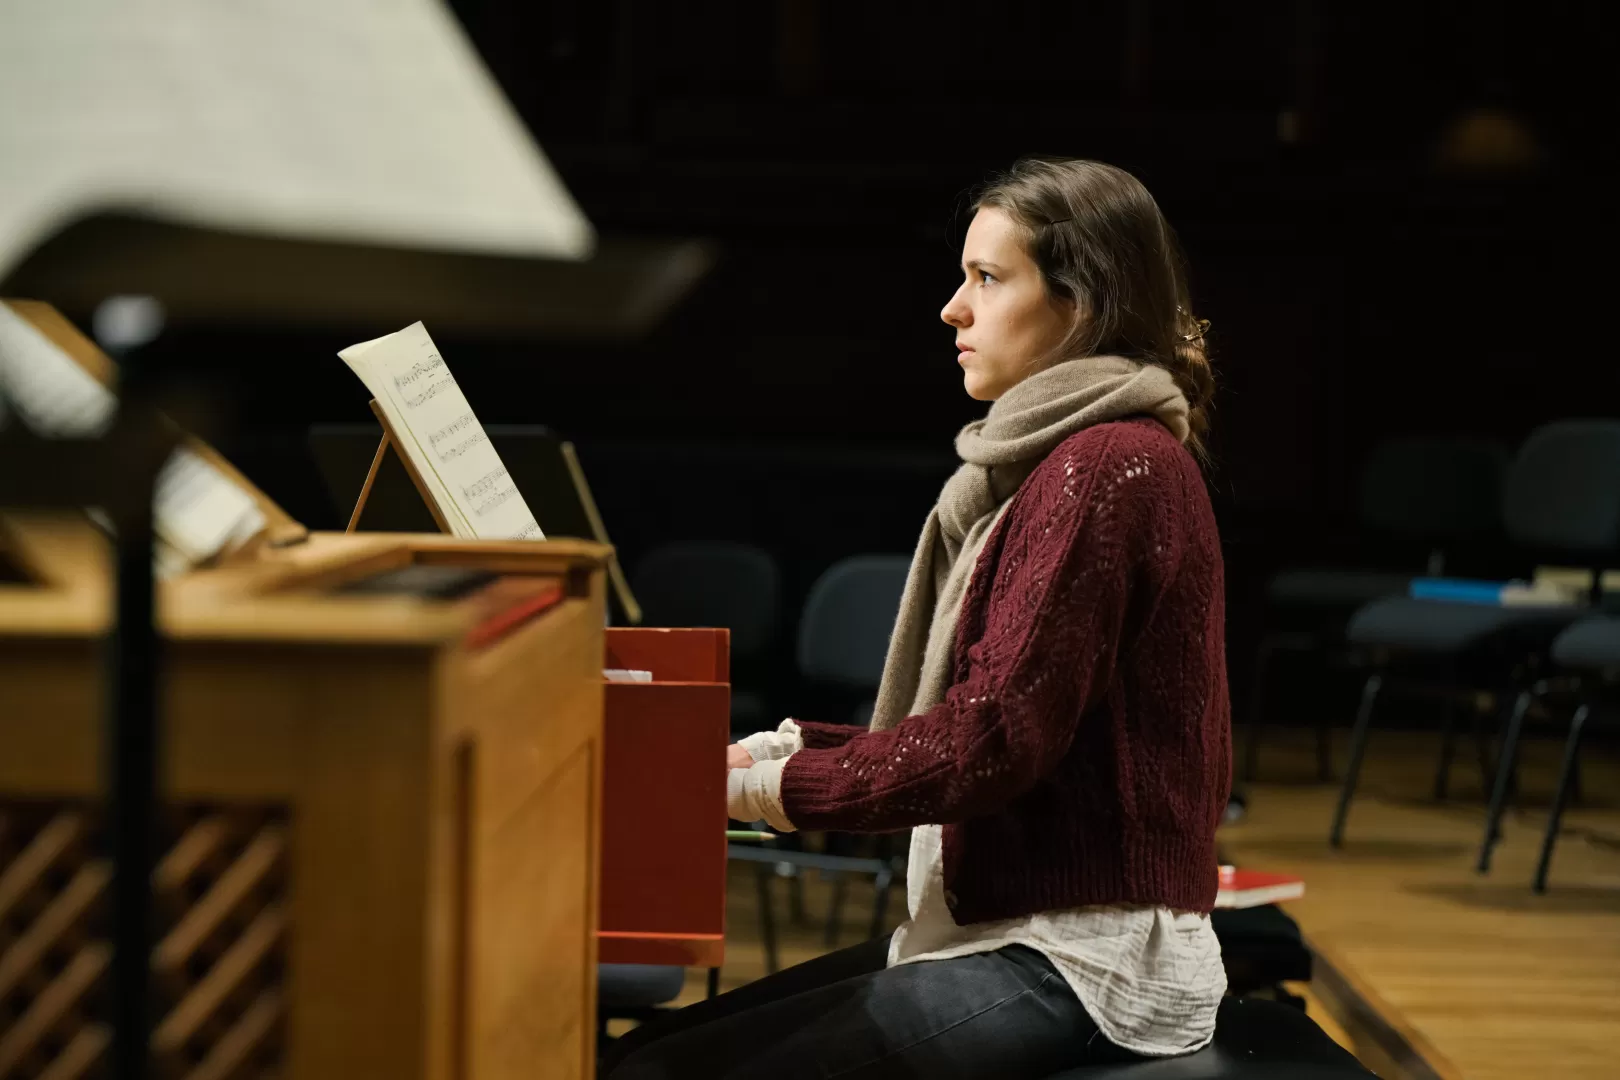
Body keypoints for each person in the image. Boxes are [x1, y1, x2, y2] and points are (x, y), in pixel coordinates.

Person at [604, 157, 1230, 1079]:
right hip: (1005, 931)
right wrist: (778, 752)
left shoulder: (1107, 469)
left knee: (658, 1075)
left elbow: (989, 743)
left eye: (987, 277)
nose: (953, 308)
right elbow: (967, 719)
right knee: (650, 1053)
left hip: (1084, 964)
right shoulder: (1055, 466)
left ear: (1082, 303)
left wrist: (746, 792)